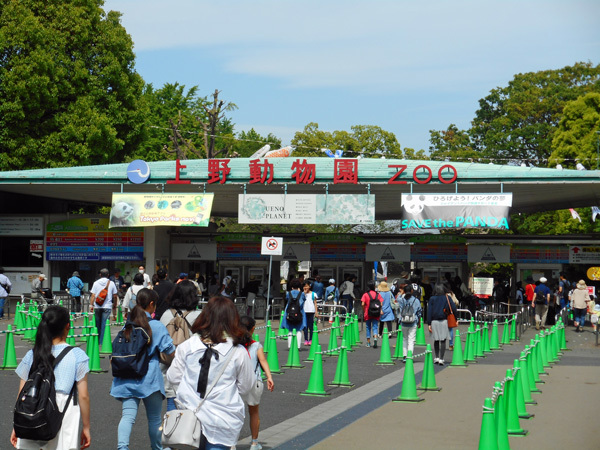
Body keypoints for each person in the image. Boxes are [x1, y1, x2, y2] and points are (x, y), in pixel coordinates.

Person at [166, 296, 254, 449]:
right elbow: (246, 386)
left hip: (189, 417)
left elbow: (173, 377)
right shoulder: (238, 352)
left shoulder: (187, 346)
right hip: (223, 419)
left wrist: (190, 387)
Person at [11, 305, 91, 449]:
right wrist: (86, 427)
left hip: (33, 406)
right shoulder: (77, 355)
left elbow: (22, 391)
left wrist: (16, 425)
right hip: (63, 410)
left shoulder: (33, 354)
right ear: (68, 326)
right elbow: (83, 396)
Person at [111, 288, 175, 450]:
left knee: (127, 417)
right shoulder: (156, 326)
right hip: (149, 379)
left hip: (126, 376)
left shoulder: (128, 325)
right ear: (152, 304)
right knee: (154, 419)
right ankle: (157, 448)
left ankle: (122, 447)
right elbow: (170, 352)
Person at [159, 280, 202, 411]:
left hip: (169, 367)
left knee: (172, 412)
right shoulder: (199, 316)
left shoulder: (166, 315)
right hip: (192, 371)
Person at [239, 316, 275, 450]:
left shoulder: (234, 344)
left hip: (237, 384)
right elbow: (263, 361)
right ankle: (254, 443)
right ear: (253, 329)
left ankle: (231, 444)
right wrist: (269, 377)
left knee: (234, 413)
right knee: (254, 412)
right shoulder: (256, 346)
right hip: (254, 383)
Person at [427, 283, 457, 366]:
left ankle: (436, 357)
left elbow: (429, 311)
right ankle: (441, 358)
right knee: (443, 340)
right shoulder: (447, 298)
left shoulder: (432, 298)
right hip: (444, 320)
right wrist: (456, 319)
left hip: (434, 321)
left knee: (436, 339)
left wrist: (429, 323)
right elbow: (453, 308)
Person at [89, 268, 118, 346]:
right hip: (107, 306)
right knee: (105, 325)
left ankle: (97, 341)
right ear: (108, 275)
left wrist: (91, 305)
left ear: (100, 275)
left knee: (97, 324)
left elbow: (93, 295)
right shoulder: (111, 283)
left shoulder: (95, 283)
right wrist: (115, 304)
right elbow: (115, 295)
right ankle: (103, 342)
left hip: (97, 306)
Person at [397, 284, 422, 362]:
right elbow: (419, 312)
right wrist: (419, 322)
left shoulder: (402, 300)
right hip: (413, 322)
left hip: (403, 322)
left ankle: (404, 356)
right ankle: (409, 355)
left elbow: (397, 299)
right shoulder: (416, 300)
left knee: (405, 339)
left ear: (404, 291)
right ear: (412, 291)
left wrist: (401, 293)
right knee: (411, 340)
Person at [280, 278, 306, 349]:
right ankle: (298, 346)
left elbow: (287, 300)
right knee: (299, 330)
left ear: (291, 286)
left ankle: (289, 345)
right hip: (299, 313)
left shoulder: (289, 293)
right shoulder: (302, 294)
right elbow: (303, 301)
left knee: (290, 330)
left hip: (289, 313)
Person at [360, 281, 381, 348]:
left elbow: (362, 304)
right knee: (375, 326)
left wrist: (364, 310)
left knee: (368, 327)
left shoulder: (365, 294)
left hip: (367, 313)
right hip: (376, 312)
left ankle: (368, 342)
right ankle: (375, 337)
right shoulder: (378, 294)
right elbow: (381, 303)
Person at [443, 282, 459, 350]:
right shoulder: (452, 294)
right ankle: (451, 344)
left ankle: (442, 343)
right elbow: (457, 302)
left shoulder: (442, 295)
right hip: (450, 313)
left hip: (443, 313)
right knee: (450, 329)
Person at [302, 281, 318, 345]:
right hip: (304, 311)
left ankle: (311, 339)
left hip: (311, 311)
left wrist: (316, 312)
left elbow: (315, 303)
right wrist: (304, 293)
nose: (306, 287)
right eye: (304, 286)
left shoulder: (313, 294)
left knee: (311, 326)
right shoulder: (302, 294)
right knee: (305, 326)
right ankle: (306, 339)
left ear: (309, 286)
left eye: (307, 286)